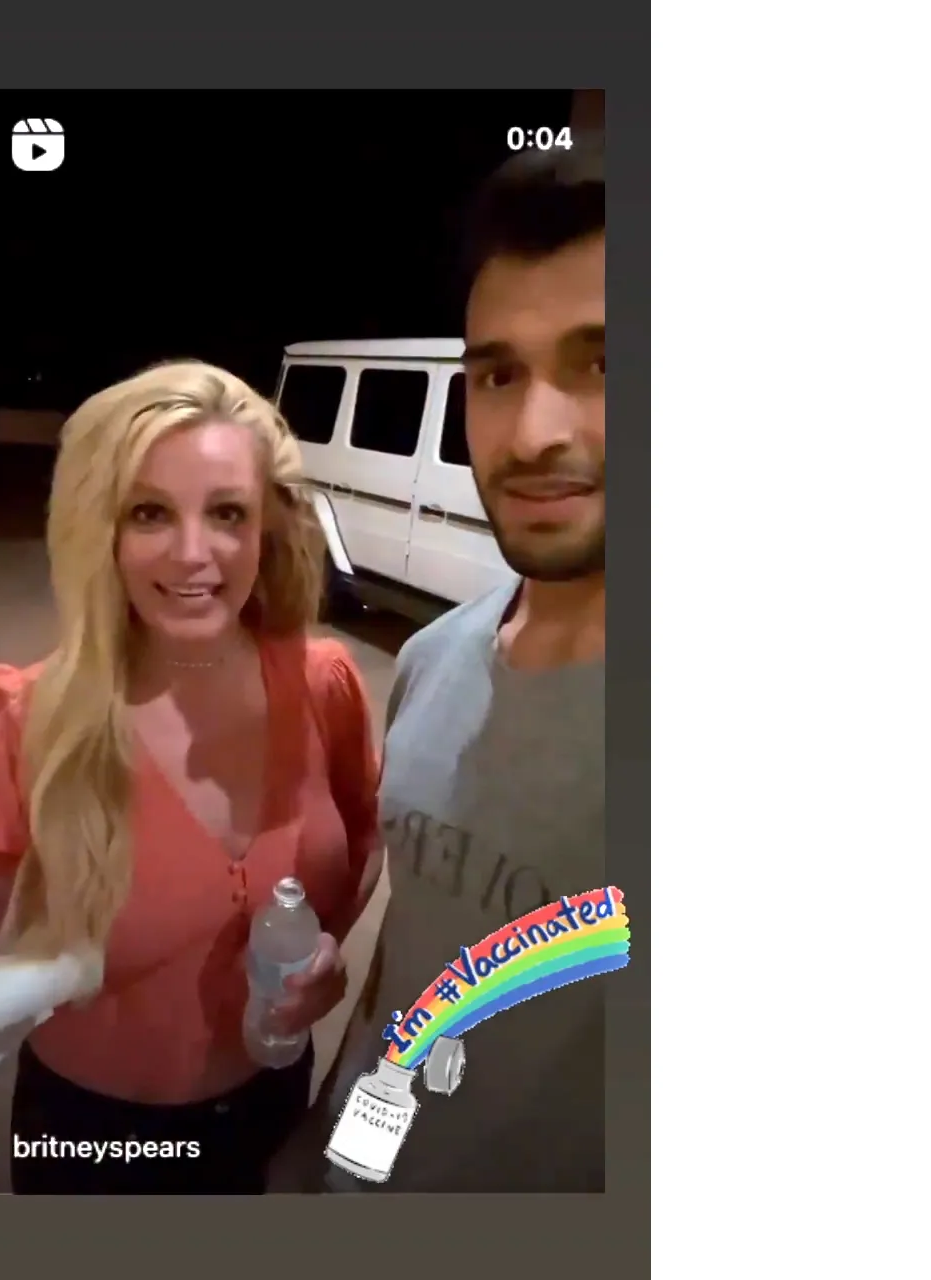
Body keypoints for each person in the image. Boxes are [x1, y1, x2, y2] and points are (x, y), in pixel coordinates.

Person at [273, 134, 606, 1193]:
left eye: (605, 363)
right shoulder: (429, 659)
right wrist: (321, 1146)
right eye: (498, 373)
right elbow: (409, 956)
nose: (533, 432)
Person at [0, 360, 384, 1194]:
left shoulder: (325, 684)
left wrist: (322, 956)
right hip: (92, 1137)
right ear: (101, 530)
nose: (194, 554)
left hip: (274, 1103)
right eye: (150, 512)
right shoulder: (22, 721)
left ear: (267, 526)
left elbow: (364, 840)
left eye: (227, 513)